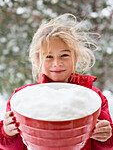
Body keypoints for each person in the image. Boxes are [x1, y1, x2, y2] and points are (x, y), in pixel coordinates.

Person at [0, 13, 113, 150]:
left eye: (64, 55)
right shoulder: (22, 99)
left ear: (75, 58)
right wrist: (8, 133)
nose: (57, 63)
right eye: (48, 57)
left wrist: (105, 136)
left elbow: (106, 146)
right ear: (37, 61)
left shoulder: (94, 99)